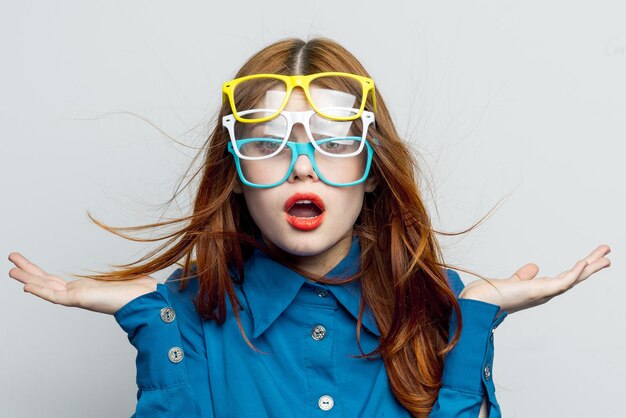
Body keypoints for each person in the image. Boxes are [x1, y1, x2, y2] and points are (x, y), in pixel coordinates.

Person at [7, 37, 611, 418]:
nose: (302, 166)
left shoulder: (440, 308)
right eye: (269, 143)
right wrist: (160, 324)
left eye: (333, 143)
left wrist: (471, 313)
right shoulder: (183, 321)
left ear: (371, 170)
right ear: (237, 173)